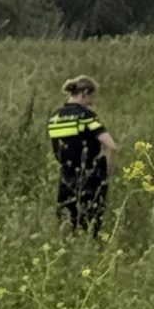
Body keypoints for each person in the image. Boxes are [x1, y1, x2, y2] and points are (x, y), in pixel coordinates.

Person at [46, 76, 117, 237]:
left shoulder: (54, 118)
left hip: (65, 177)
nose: (91, 103)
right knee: (90, 226)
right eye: (91, 98)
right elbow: (111, 145)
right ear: (84, 93)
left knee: (67, 224)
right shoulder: (86, 116)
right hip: (89, 177)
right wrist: (108, 171)